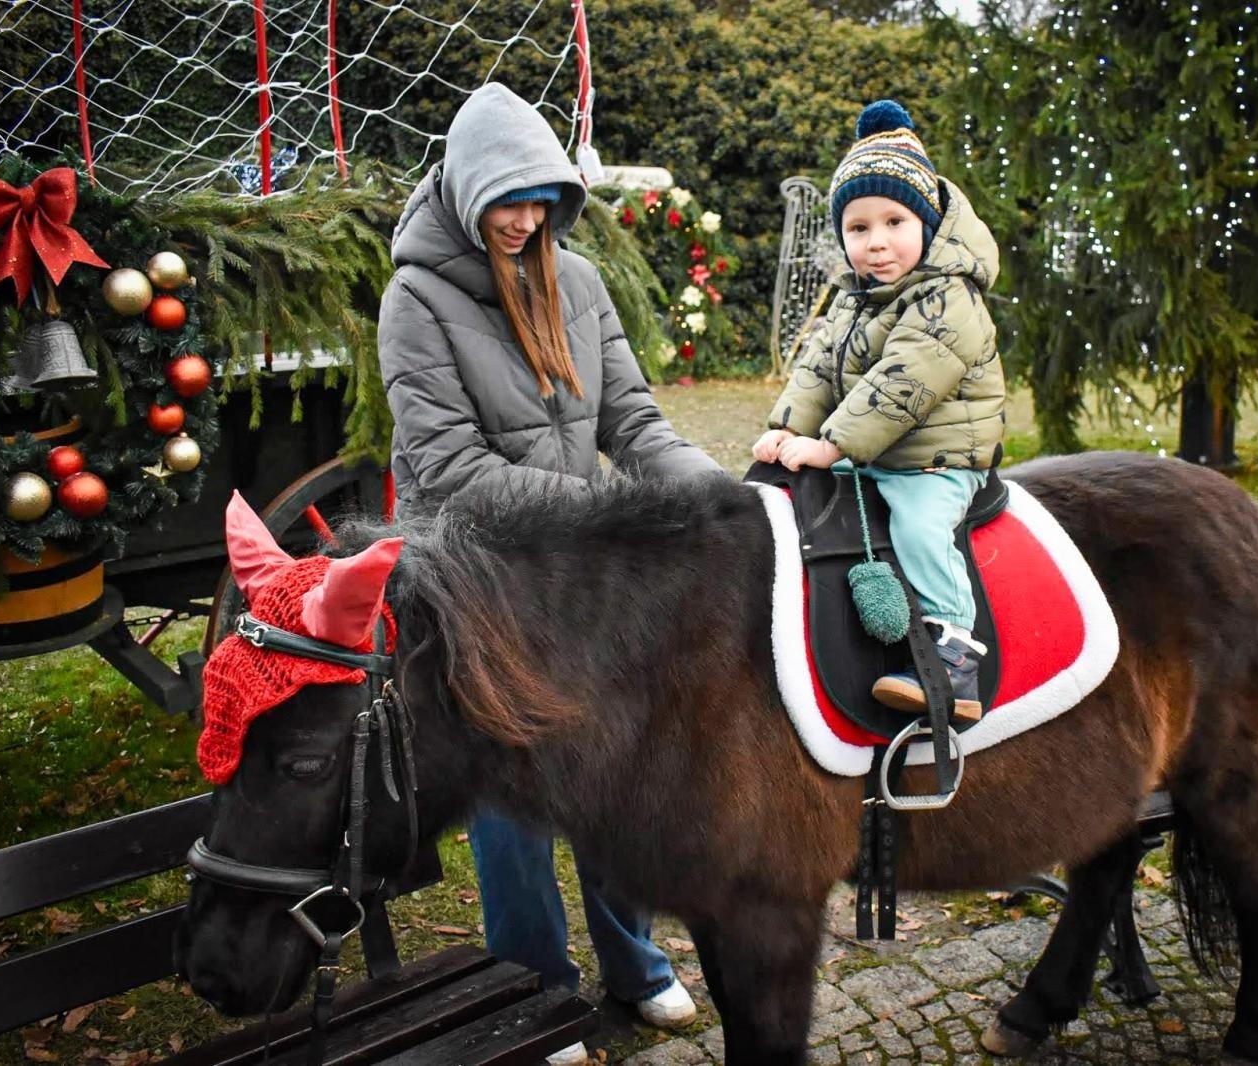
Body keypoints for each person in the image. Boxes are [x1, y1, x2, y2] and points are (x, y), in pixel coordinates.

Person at [377, 82, 721, 1066]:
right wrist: (607, 516)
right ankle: (532, 990)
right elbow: (453, 470)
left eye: (542, 199)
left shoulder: (576, 281)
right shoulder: (415, 300)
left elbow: (634, 423)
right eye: (507, 199)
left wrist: (719, 494)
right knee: (513, 802)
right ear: (466, 189)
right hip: (477, 587)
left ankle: (635, 964)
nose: (525, 220)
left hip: (576, 580)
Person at [753, 100, 1005, 719]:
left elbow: (902, 382)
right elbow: (818, 367)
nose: (877, 242)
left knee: (918, 526)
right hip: (875, 454)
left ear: (928, 223)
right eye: (858, 228)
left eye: (895, 221)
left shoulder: (947, 297)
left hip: (935, 460)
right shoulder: (855, 298)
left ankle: (955, 650)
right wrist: (787, 426)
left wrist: (831, 445)